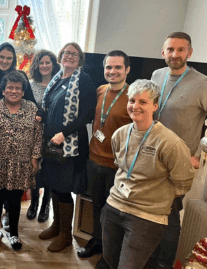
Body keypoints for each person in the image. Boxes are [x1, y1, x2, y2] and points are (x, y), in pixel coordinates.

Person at [101, 79, 195, 269]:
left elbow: (183, 183)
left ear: (155, 105)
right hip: (114, 206)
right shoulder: (120, 134)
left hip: (146, 216)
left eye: (142, 102)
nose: (135, 106)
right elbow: (120, 165)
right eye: (132, 101)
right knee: (109, 261)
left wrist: (152, 196)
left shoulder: (170, 143)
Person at [150, 32, 207, 268]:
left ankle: (163, 265)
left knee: (169, 219)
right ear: (163, 53)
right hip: (151, 159)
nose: (175, 54)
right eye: (170, 49)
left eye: (181, 50)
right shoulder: (157, 75)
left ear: (189, 53)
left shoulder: (203, 84)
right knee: (149, 217)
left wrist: (203, 158)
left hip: (177, 166)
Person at [38, 42, 96, 252]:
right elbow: (49, 106)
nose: (69, 56)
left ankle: (65, 235)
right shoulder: (57, 78)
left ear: (79, 59)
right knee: (53, 185)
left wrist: (64, 132)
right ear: (60, 56)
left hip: (69, 145)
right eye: (66, 53)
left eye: (74, 54)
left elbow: (88, 114)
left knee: (63, 188)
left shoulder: (84, 80)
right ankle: (56, 225)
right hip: (51, 144)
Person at [77, 51, 132, 267]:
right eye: (109, 67)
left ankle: (110, 253)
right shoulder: (100, 90)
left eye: (118, 67)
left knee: (114, 211)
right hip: (95, 160)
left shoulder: (133, 95)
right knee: (97, 205)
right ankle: (97, 241)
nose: (113, 71)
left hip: (117, 166)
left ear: (127, 69)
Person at [0, 71, 42, 251]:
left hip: (21, 163)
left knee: (15, 202)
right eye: (10, 88)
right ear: (3, 90)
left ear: (23, 91)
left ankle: (13, 234)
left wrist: (34, 158)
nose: (13, 91)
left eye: (18, 88)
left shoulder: (32, 109)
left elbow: (38, 136)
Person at [0, 42, 36, 230]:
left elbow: (31, 102)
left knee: (13, 189)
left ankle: (9, 219)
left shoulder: (21, 77)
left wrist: (41, 113)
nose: (4, 60)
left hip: (18, 137)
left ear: (14, 60)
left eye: (9, 58)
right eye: (2, 57)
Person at [26, 49, 60, 223]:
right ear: (37, 65)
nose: (45, 66)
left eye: (48, 62)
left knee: (49, 169)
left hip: (53, 133)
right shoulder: (31, 85)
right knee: (35, 169)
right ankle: (34, 203)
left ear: (53, 65)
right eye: (41, 63)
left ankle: (46, 204)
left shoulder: (58, 83)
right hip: (34, 132)